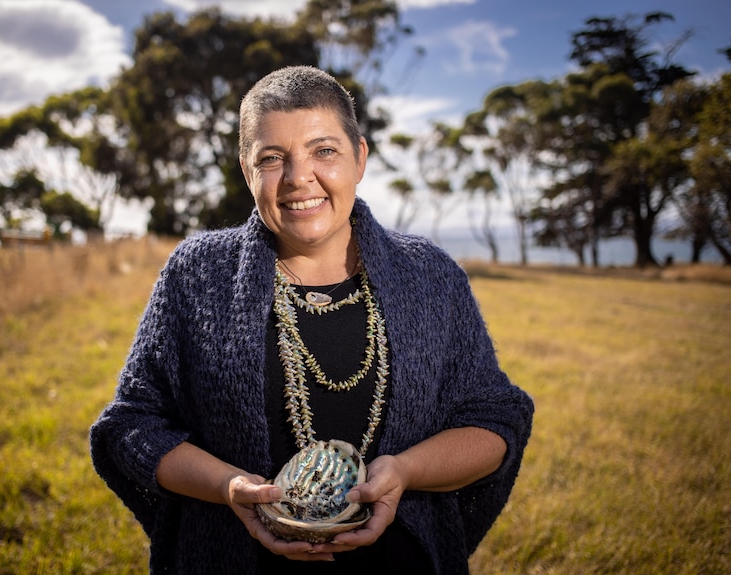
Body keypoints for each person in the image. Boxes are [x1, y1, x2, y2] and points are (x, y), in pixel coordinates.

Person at [90, 65, 533, 574]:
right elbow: (131, 425)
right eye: (273, 158)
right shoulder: (197, 274)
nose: (299, 177)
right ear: (245, 169)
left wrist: (406, 471)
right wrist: (227, 488)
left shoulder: (431, 276)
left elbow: (496, 420)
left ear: (360, 157)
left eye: (324, 150)